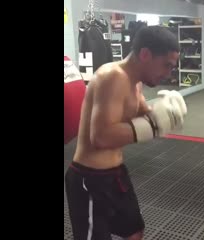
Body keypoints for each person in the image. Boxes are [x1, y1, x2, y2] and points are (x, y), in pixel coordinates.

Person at [65, 26, 187, 240]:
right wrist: (154, 125)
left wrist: (167, 110)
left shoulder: (135, 83)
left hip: (115, 174)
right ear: (145, 54)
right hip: (89, 179)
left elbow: (144, 116)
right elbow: (101, 136)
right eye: (166, 65)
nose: (168, 73)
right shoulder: (112, 76)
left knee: (134, 232)